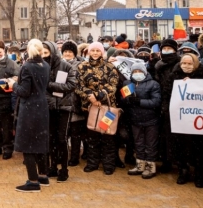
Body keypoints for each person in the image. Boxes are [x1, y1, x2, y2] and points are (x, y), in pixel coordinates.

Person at [8, 39, 50, 193]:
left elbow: (24, 91)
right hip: (42, 106)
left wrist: (13, 85)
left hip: (30, 108)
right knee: (39, 142)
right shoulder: (45, 65)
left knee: (28, 145)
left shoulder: (27, 67)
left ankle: (33, 181)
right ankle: (43, 175)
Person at [75, 41, 120, 175]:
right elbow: (78, 85)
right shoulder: (82, 66)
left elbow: (113, 84)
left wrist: (100, 96)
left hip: (108, 107)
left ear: (102, 52)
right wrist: (90, 97)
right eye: (93, 50)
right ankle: (92, 162)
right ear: (89, 52)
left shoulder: (110, 66)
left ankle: (108, 164)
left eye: (98, 51)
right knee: (92, 136)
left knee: (107, 136)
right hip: (90, 108)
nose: (95, 53)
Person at [165, 53, 203, 187]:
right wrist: (169, 111)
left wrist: (195, 85)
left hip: (198, 120)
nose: (186, 66)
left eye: (190, 64)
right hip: (180, 119)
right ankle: (183, 171)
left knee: (199, 148)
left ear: (195, 64)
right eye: (184, 63)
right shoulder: (173, 76)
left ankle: (198, 174)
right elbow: (167, 95)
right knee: (180, 147)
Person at [43, 41, 77, 182]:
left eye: (45, 52)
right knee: (50, 138)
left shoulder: (66, 66)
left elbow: (71, 85)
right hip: (48, 107)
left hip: (64, 107)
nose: (43, 55)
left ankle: (64, 169)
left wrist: (50, 85)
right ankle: (52, 167)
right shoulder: (41, 67)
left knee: (61, 138)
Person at [121, 62, 161, 179]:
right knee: (138, 142)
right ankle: (140, 164)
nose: (137, 74)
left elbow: (156, 102)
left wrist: (139, 102)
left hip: (151, 120)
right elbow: (122, 99)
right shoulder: (128, 83)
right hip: (135, 119)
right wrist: (127, 100)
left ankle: (150, 166)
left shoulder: (153, 84)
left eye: (140, 72)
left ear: (145, 72)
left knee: (150, 143)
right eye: (135, 72)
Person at [0, 40, 19, 160]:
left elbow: (18, 76)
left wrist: (10, 80)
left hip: (6, 98)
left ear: (4, 51)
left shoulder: (11, 64)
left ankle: (7, 147)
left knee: (6, 126)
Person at [154, 38, 181, 173]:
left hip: (178, 103)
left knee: (177, 135)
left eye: (169, 48)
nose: (166, 51)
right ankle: (166, 161)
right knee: (163, 134)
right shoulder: (158, 65)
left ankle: (180, 162)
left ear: (175, 50)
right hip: (161, 103)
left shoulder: (181, 63)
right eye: (164, 48)